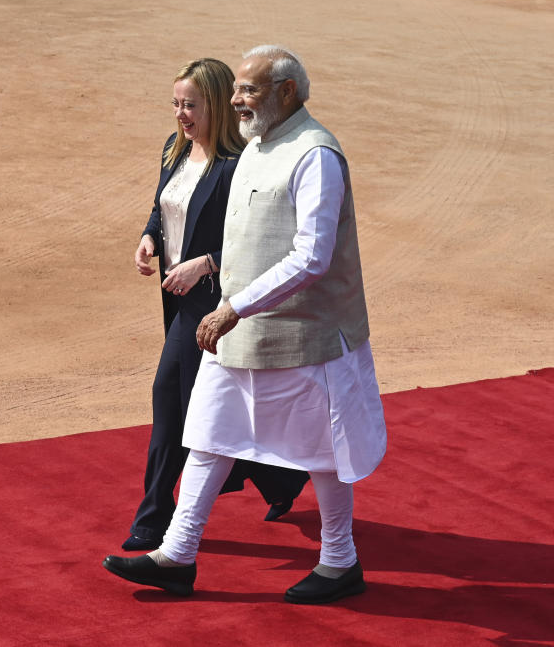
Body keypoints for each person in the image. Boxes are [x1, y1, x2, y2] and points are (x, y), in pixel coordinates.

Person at [104, 45, 387, 603]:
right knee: (208, 434)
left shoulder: (316, 155)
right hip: (239, 329)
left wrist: (235, 305)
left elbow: (313, 256)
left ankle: (340, 561)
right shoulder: (258, 146)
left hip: (304, 335)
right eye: (234, 89)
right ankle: (177, 555)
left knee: (320, 453)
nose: (235, 99)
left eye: (249, 90)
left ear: (286, 92)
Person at [123, 58, 309, 552]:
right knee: (199, 402)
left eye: (192, 106)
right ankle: (280, 480)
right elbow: (163, 205)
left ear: (217, 107)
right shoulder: (174, 150)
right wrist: (149, 237)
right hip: (176, 299)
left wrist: (203, 263)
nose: (181, 115)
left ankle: (152, 519)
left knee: (170, 401)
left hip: (211, 304)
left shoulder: (237, 166)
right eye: (176, 104)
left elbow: (264, 242)